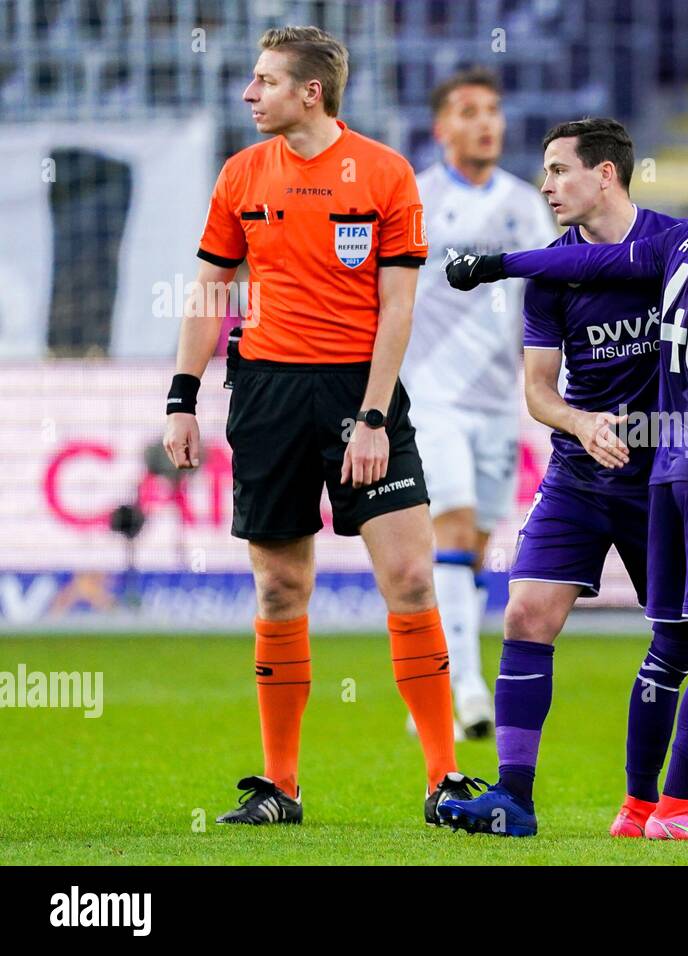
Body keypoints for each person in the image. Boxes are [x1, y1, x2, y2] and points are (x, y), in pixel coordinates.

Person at [441, 130, 688, 841]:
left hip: (661, 470)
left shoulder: (677, 242)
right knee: (533, 615)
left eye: (559, 171)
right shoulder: (556, 274)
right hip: (593, 470)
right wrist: (578, 420)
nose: (546, 185)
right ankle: (525, 795)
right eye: (544, 173)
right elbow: (538, 390)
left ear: (605, 175)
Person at [162, 25, 478, 826]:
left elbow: (397, 305)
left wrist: (373, 415)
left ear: (311, 92)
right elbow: (210, 291)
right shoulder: (241, 175)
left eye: (264, 80)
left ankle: (444, 781)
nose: (248, 93)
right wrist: (181, 397)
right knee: (279, 586)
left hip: (359, 394)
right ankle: (280, 787)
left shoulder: (382, 174)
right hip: (267, 394)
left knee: (409, 578)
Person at [402, 67, 557, 739]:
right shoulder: (415, 198)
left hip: (499, 398)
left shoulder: (527, 205)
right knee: (454, 526)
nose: (485, 122)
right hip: (429, 397)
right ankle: (465, 688)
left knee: (476, 545)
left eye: (492, 110)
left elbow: (553, 292)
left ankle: (437, 680)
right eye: (467, 111)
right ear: (443, 127)